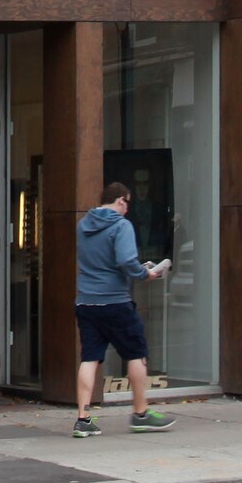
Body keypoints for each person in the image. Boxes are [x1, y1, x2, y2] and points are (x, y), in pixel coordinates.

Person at [73, 182, 174, 436]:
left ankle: (83, 419)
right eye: (127, 202)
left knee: (89, 358)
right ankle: (141, 414)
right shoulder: (121, 226)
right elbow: (126, 261)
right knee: (136, 353)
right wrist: (146, 273)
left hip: (86, 302)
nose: (128, 208)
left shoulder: (83, 225)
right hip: (116, 301)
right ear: (120, 200)